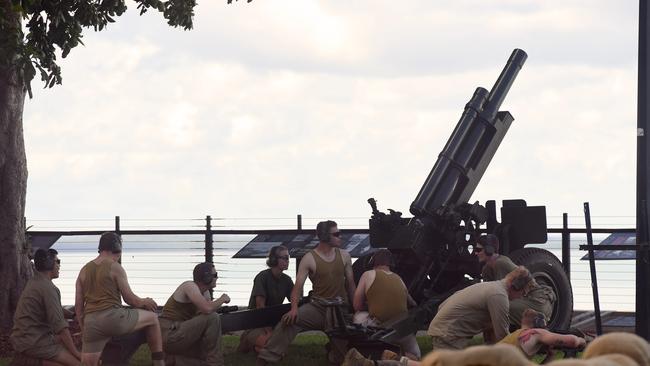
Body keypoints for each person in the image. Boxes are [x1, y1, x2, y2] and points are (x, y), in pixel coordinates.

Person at [256, 220, 356, 365]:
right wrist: (294, 309)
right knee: (288, 321)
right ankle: (266, 359)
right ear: (326, 237)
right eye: (336, 234)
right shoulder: (309, 259)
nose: (340, 236)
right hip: (318, 308)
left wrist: (356, 308)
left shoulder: (345, 256)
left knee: (342, 357)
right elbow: (297, 287)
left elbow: (351, 284)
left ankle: (335, 356)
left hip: (340, 310)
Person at [75, 232, 164, 366]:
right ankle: (159, 362)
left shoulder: (83, 270)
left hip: (91, 323)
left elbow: (78, 306)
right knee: (152, 318)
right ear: (117, 248)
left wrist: (84, 328)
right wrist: (146, 301)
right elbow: (131, 300)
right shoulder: (115, 267)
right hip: (114, 319)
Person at [427, 266, 533, 350]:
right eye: (523, 293)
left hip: (446, 331)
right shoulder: (499, 296)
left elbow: (491, 328)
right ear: (515, 286)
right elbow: (503, 336)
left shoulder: (492, 288)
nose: (520, 297)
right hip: (448, 335)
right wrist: (523, 350)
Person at [10, 248, 81, 365]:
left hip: (24, 339)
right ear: (49, 264)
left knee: (63, 344)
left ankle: (30, 360)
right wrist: (76, 354)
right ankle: (28, 361)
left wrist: (73, 315)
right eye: (57, 262)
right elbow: (60, 327)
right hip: (35, 342)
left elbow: (55, 309)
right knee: (78, 363)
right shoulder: (48, 288)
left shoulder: (35, 282)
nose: (59, 265)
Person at [353, 249, 420, 360]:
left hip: (379, 328)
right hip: (400, 327)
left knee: (358, 316)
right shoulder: (399, 279)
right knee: (416, 356)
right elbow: (413, 303)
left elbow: (357, 305)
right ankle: (400, 357)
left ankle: (379, 354)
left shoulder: (367, 274)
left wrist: (371, 304)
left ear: (372, 262)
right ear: (391, 264)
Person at [474, 234, 556, 326]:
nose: (475, 253)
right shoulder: (487, 269)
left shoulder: (500, 263)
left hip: (537, 302)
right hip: (525, 300)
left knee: (497, 308)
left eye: (478, 250)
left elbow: (500, 294)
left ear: (489, 250)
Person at [158, 262, 231, 366]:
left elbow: (203, 316)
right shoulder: (189, 286)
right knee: (213, 317)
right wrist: (222, 299)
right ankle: (216, 363)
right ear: (206, 277)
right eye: (215, 275)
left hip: (181, 333)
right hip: (169, 334)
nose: (217, 278)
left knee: (204, 355)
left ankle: (173, 360)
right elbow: (207, 309)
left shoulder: (205, 293)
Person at [238, 245, 294, 354]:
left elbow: (294, 300)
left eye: (288, 258)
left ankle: (256, 345)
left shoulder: (286, 280)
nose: (288, 261)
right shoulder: (262, 277)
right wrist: (268, 330)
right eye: (285, 258)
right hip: (256, 323)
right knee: (271, 347)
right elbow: (260, 306)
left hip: (274, 323)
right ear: (274, 259)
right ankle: (249, 339)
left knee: (275, 348)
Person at [498, 309, 586, 362]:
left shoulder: (513, 337)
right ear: (539, 323)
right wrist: (582, 341)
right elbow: (573, 341)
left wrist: (550, 355)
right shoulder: (535, 333)